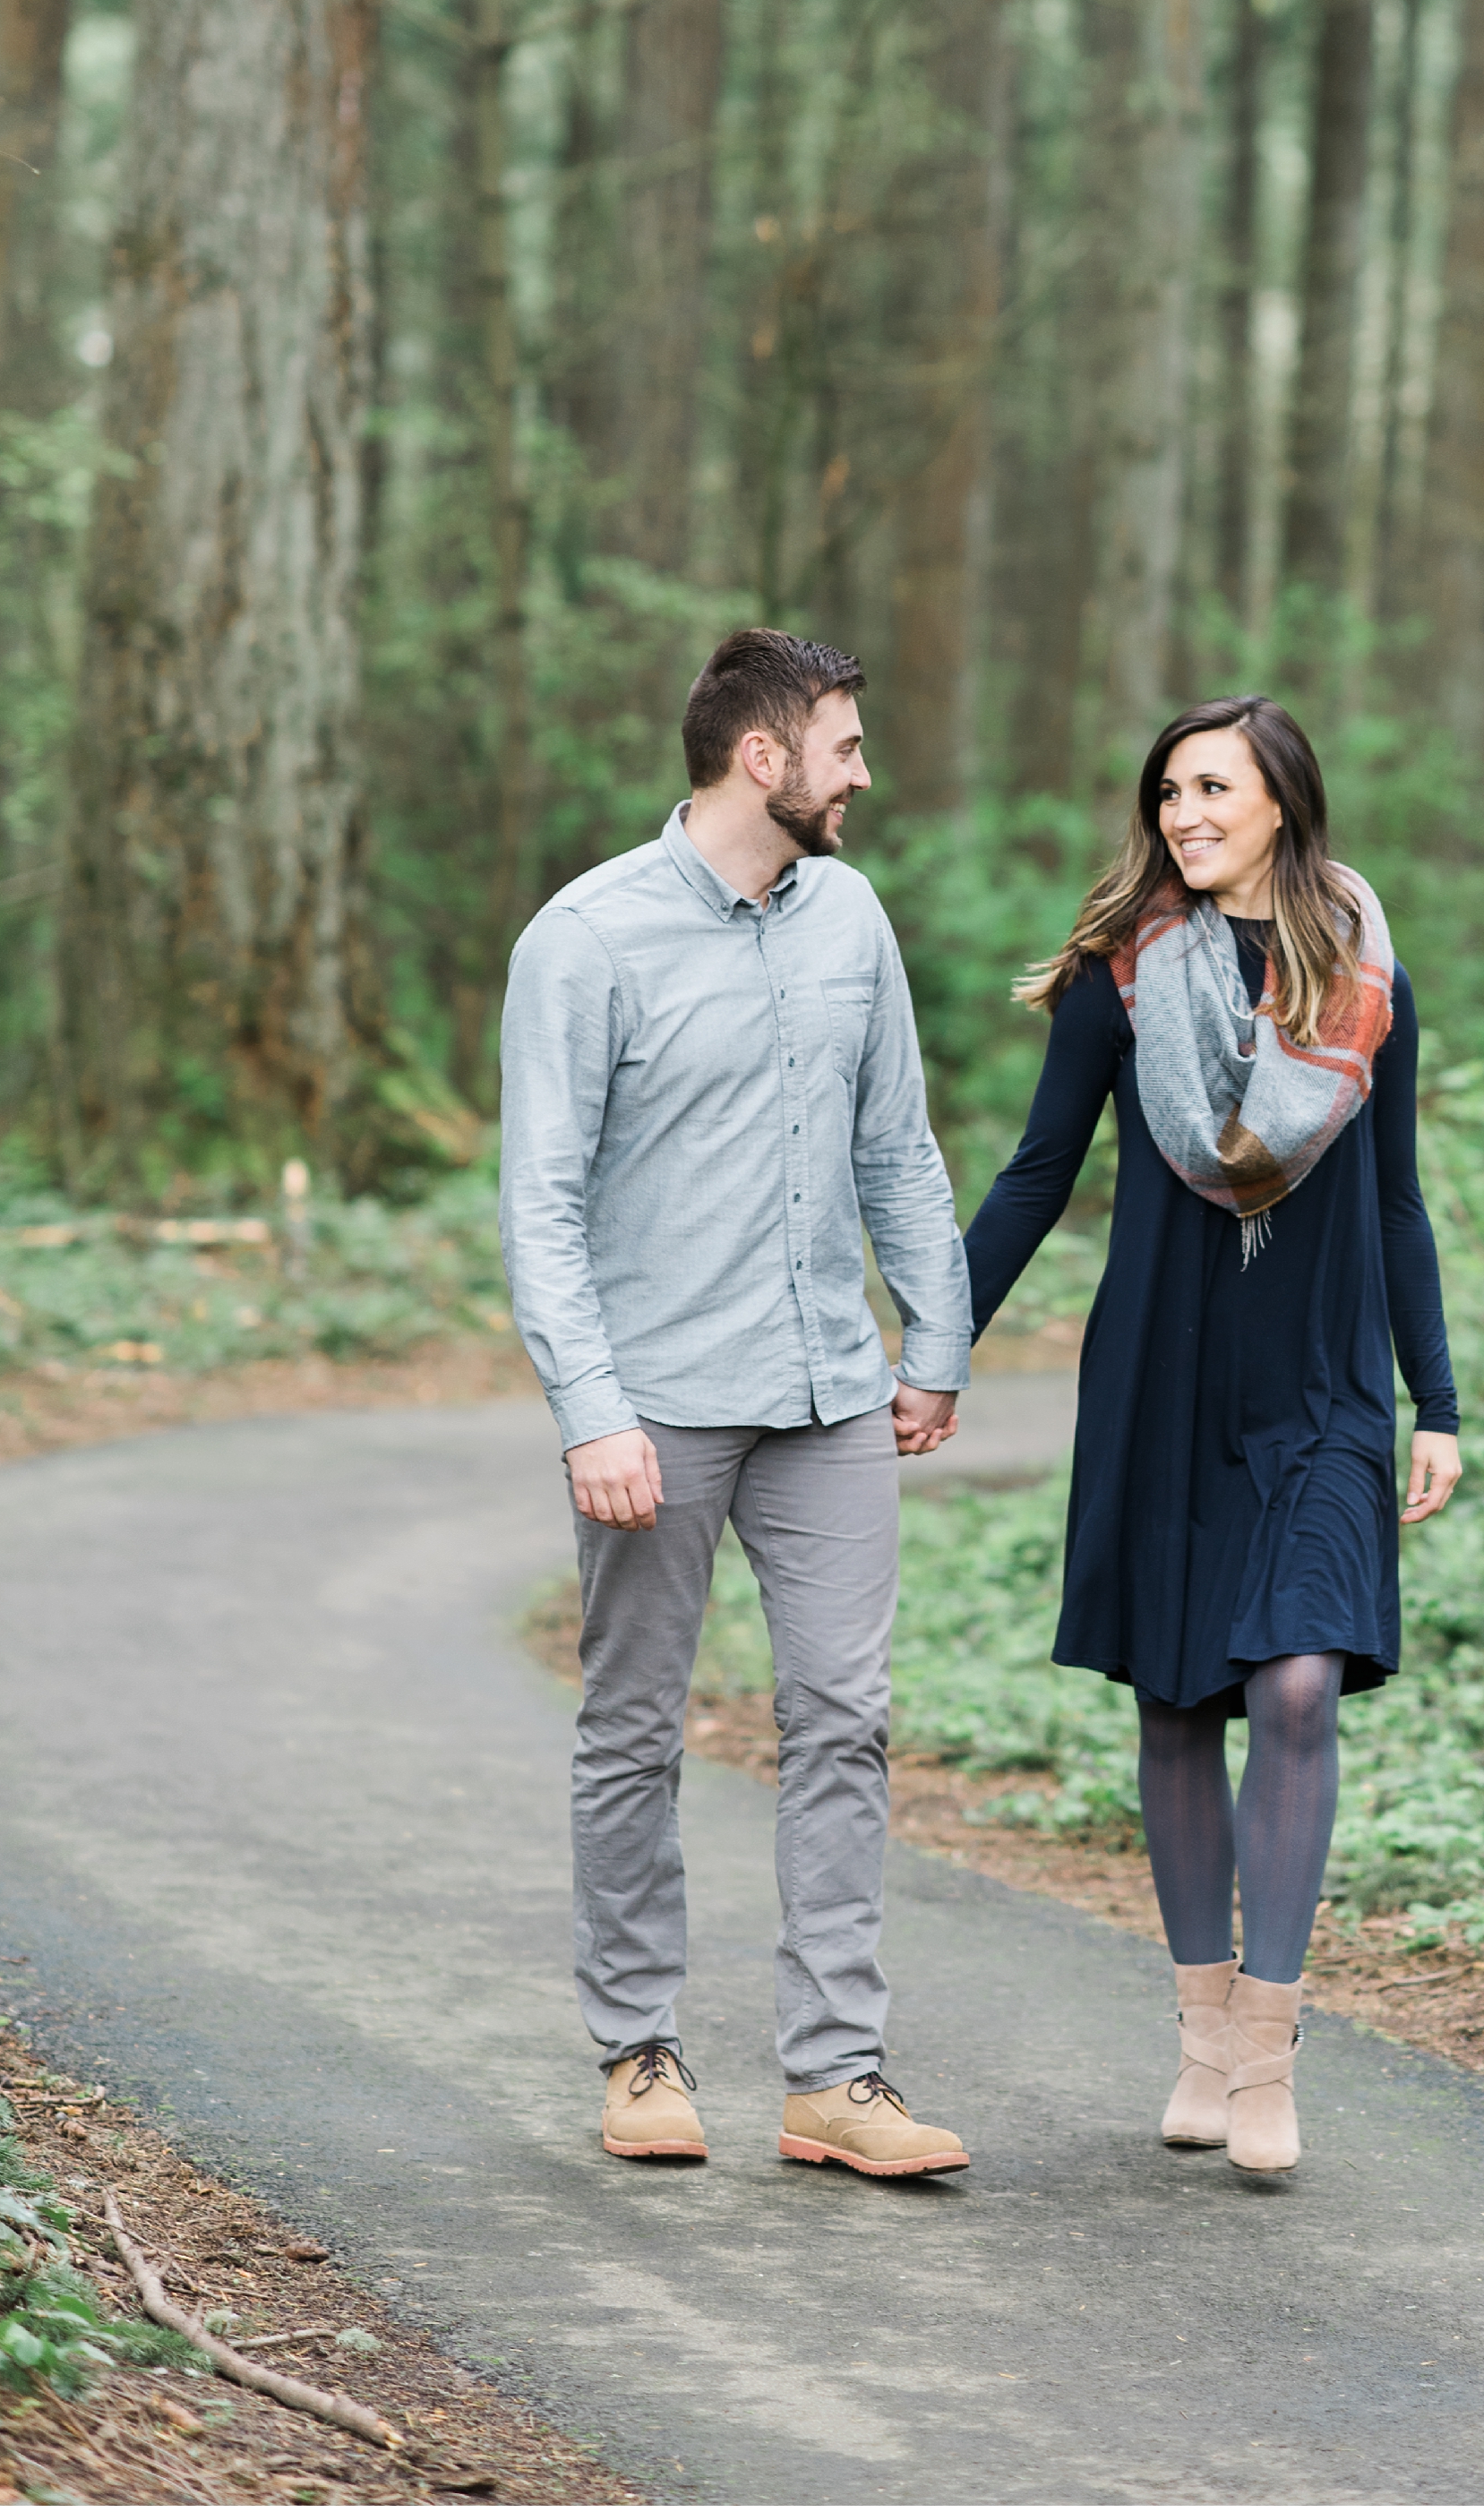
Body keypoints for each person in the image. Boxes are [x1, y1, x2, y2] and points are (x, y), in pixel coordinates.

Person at [499, 628, 975, 2179]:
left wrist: (936, 1341)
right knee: (634, 1724)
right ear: (761, 757)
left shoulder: (850, 918)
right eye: (842, 744)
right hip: (657, 1406)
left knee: (846, 1712)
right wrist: (591, 1406)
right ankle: (638, 2048)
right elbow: (542, 1202)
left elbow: (897, 1147)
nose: (862, 772)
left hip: (828, 1392)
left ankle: (834, 2076)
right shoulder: (587, 937)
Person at [963, 697, 1462, 2175]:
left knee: (1298, 1685)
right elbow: (1037, 1173)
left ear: (1285, 803)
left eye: (1214, 788)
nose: (1184, 813)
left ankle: (1269, 2044)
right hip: (1162, 1376)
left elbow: (1396, 1198)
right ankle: (1198, 2033)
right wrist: (931, 1348)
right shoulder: (1124, 979)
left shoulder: (1365, 975)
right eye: (1170, 791)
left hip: (1317, 1391)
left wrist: (1435, 1401)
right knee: (1179, 1702)